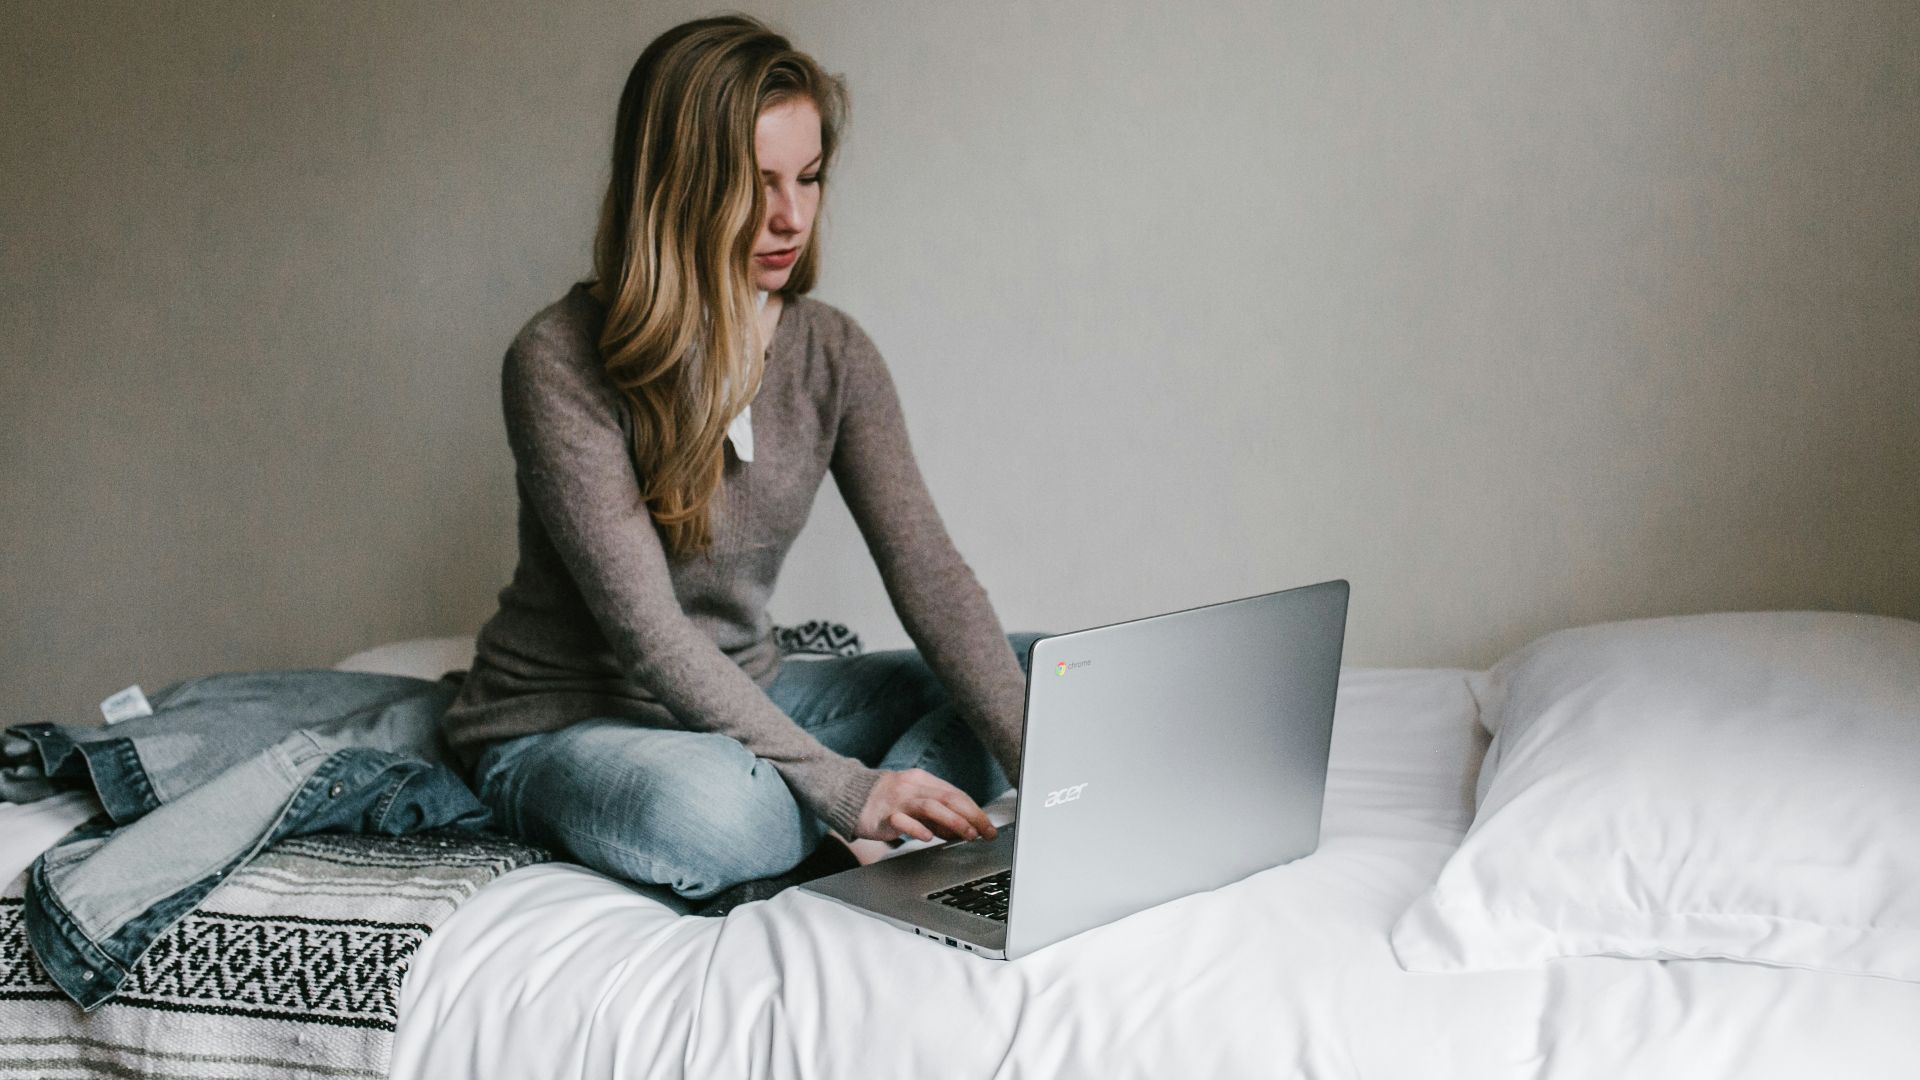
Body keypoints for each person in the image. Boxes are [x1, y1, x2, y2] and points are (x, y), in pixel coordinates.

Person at [438, 14, 1039, 916]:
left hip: (757, 693)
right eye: (753, 185)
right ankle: (848, 811)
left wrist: (1049, 768)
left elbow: (929, 572)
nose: (790, 216)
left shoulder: (832, 351)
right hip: (570, 722)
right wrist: (843, 787)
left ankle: (878, 819)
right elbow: (649, 634)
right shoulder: (557, 358)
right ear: (676, 185)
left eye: (808, 178)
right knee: (719, 816)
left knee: (1037, 673)